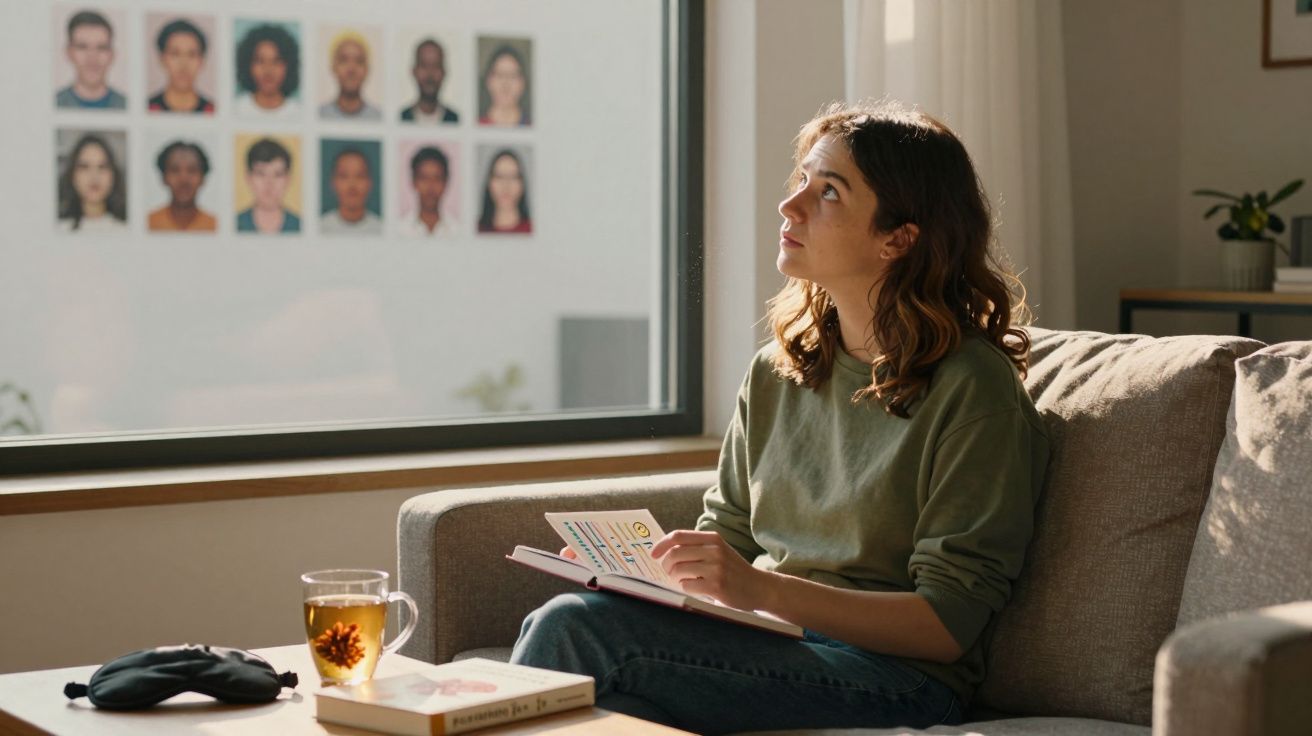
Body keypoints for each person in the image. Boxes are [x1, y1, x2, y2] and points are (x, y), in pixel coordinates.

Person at [509, 101, 1051, 734]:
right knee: (604, 698)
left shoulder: (972, 389)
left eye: (828, 193)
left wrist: (761, 591)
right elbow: (730, 535)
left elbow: (947, 626)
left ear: (897, 238)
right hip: (775, 645)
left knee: (573, 631)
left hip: (899, 679)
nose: (789, 207)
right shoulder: (778, 370)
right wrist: (641, 578)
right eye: (801, 181)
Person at [56, 11, 126, 109]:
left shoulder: (126, 106)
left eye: (101, 48)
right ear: (69, 53)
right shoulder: (54, 104)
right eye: (82, 47)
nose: (92, 58)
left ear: (112, 55)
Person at [57, 133, 127, 231]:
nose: (94, 177)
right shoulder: (59, 228)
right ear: (72, 175)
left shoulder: (126, 228)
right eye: (84, 167)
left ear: (113, 175)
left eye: (102, 167)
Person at [234, 23, 300, 118]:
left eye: (277, 61)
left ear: (289, 66)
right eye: (260, 61)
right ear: (248, 65)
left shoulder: (299, 113)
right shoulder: (236, 110)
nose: (268, 70)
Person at [148, 19, 214, 113]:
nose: (183, 64)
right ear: (162, 59)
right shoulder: (149, 109)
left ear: (201, 61)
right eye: (175, 54)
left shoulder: (212, 111)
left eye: (192, 54)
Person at [147, 141, 215, 232]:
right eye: (175, 170)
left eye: (192, 170)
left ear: (202, 179)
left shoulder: (215, 226)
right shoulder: (149, 223)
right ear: (164, 178)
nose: (183, 179)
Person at [236, 138, 300, 234]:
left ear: (288, 179)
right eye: (261, 174)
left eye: (278, 175)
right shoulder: (235, 224)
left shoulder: (300, 225)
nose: (269, 183)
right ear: (249, 178)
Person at [318, 31, 381, 120]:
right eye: (343, 60)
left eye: (359, 61)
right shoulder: (320, 116)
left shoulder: (378, 118)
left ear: (367, 69)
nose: (351, 69)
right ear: (333, 67)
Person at [321, 148, 381, 235]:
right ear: (333, 183)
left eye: (360, 176)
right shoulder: (320, 228)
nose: (352, 185)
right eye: (344, 176)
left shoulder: (381, 229)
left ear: (370, 183)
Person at [400, 39, 458, 124]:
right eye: (424, 66)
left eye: (436, 66)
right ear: (414, 71)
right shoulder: (401, 119)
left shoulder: (455, 121)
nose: (430, 74)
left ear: (444, 73)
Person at [402, 146, 454, 236]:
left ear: (446, 183)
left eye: (437, 178)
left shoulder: (457, 230)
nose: (431, 187)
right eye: (424, 178)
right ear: (413, 182)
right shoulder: (400, 230)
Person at [477, 149, 531, 234]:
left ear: (522, 184)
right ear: (489, 183)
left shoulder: (532, 229)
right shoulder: (478, 229)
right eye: (499, 177)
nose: (506, 186)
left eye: (513, 177)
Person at [478, 45, 529, 127]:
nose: (505, 83)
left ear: (522, 83)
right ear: (489, 81)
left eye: (512, 76)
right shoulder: (478, 124)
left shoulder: (530, 125)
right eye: (499, 75)